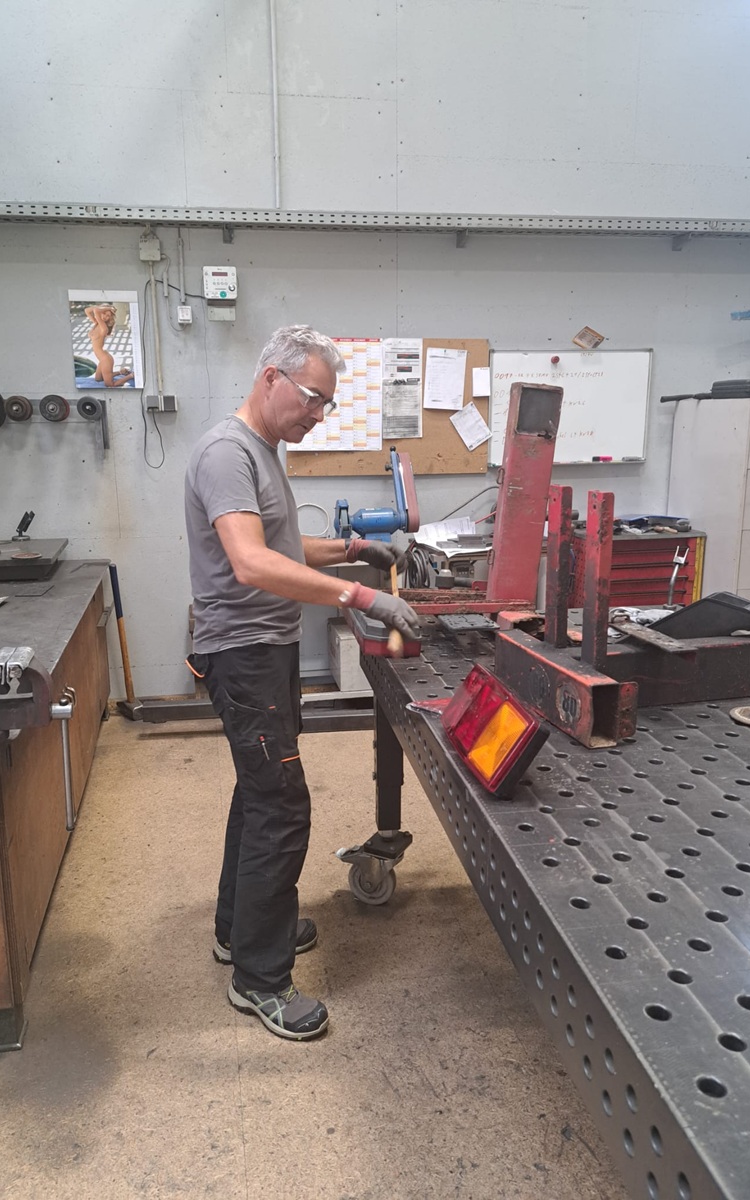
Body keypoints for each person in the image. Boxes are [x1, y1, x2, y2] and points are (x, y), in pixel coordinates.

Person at [184, 325, 419, 1041]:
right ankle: (260, 980)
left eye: (326, 403)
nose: (318, 414)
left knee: (258, 794)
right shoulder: (227, 454)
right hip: (246, 655)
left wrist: (352, 549)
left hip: (267, 650)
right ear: (271, 379)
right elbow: (252, 563)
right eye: (312, 398)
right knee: (282, 807)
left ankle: (240, 930)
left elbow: (280, 545)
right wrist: (360, 595)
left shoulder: (262, 452)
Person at [84, 304, 134, 387]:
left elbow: (96, 310)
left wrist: (108, 308)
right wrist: (107, 308)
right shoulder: (96, 323)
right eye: (104, 313)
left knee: (109, 384)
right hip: (102, 358)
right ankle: (121, 372)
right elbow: (87, 310)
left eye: (108, 316)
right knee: (98, 379)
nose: (105, 317)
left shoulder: (104, 328)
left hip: (105, 359)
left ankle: (131, 375)